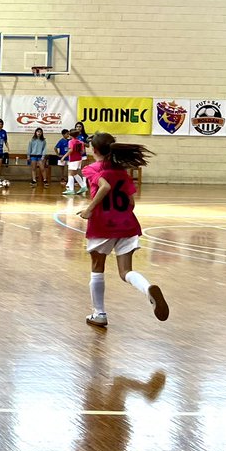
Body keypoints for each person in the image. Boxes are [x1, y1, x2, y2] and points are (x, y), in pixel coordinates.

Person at [77, 132, 167, 328]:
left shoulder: (91, 169)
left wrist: (89, 209)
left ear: (95, 150)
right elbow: (131, 202)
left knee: (97, 267)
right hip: (127, 224)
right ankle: (148, 288)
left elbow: (105, 186)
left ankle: (99, 313)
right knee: (126, 271)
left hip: (102, 224)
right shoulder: (122, 172)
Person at [62, 128, 88, 195]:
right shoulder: (81, 142)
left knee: (70, 174)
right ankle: (83, 186)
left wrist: (64, 157)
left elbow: (70, 150)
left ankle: (71, 189)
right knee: (75, 173)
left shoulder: (70, 142)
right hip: (79, 159)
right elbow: (83, 152)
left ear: (71, 135)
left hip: (73, 159)